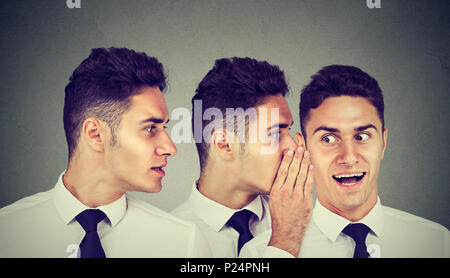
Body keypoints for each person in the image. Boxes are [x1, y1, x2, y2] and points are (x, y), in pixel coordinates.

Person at [0, 47, 211, 258]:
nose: (171, 148)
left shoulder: (183, 244)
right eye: (149, 128)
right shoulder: (7, 233)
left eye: (163, 127)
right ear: (95, 134)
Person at [246, 64, 449, 257]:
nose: (349, 157)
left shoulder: (437, 243)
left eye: (362, 136)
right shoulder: (260, 253)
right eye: (328, 139)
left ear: (383, 143)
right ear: (304, 148)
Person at [172, 57, 314, 258]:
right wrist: (285, 243)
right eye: (274, 133)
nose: (292, 146)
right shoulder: (166, 243)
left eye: (289, 130)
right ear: (224, 144)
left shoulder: (315, 230)